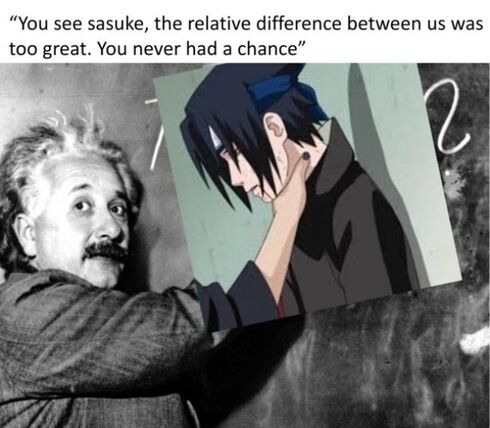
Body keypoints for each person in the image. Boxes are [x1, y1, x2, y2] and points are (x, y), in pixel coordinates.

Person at [0, 112, 308, 427]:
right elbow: (189, 324)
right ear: (28, 234)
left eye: (117, 208)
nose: (113, 228)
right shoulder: (21, 314)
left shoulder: (109, 336)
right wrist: (285, 216)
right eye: (82, 205)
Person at [181, 63, 420, 318]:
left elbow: (381, 327)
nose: (235, 178)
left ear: (275, 127)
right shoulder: (292, 217)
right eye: (224, 163)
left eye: (235, 153)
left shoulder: (357, 204)